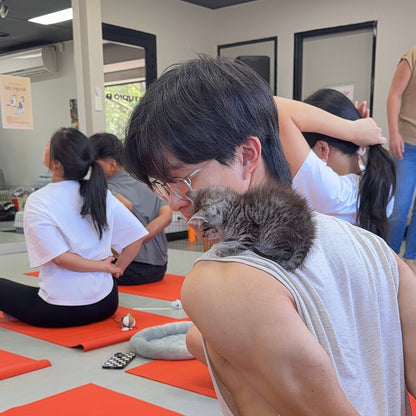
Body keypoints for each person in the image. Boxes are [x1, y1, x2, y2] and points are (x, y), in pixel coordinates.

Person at [123, 55, 416, 415]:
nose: (176, 202)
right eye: (161, 186)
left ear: (247, 156)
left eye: (183, 181)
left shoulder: (218, 281)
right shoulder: (375, 250)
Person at [0, 128, 148, 328]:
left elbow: (60, 258)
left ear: (56, 164)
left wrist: (105, 266)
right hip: (106, 303)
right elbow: (136, 238)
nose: (45, 148)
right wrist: (116, 269)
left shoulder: (38, 201)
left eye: (47, 146)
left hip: (60, 311)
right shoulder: (101, 193)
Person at [292, 88, 395, 239]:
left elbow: (279, 109)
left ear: (322, 149)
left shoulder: (330, 190)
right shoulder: (379, 180)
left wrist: (350, 130)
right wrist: (353, 131)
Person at [90, 132, 172, 285]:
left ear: (112, 164)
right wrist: (139, 237)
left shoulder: (105, 189)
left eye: (94, 165)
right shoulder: (146, 181)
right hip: (159, 267)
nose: (90, 170)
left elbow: (126, 206)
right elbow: (167, 216)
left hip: (131, 267)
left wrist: (135, 241)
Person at [386, 45, 416, 273]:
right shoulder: (412, 56)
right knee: (398, 210)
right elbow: (394, 94)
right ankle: (389, 259)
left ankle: (411, 260)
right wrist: (394, 133)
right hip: (407, 145)